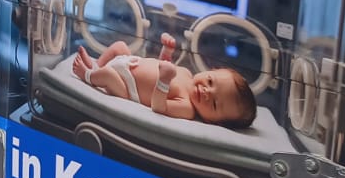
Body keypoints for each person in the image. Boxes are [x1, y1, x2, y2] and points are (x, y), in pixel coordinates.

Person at [72, 32, 258, 128]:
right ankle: (95, 66)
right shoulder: (186, 73)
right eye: (210, 81)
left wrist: (164, 80)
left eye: (215, 105)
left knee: (108, 75)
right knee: (119, 46)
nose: (207, 92)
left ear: (214, 122)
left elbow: (159, 106)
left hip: (128, 87)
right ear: (210, 71)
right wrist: (167, 52)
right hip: (130, 62)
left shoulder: (187, 108)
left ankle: (87, 75)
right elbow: (162, 65)